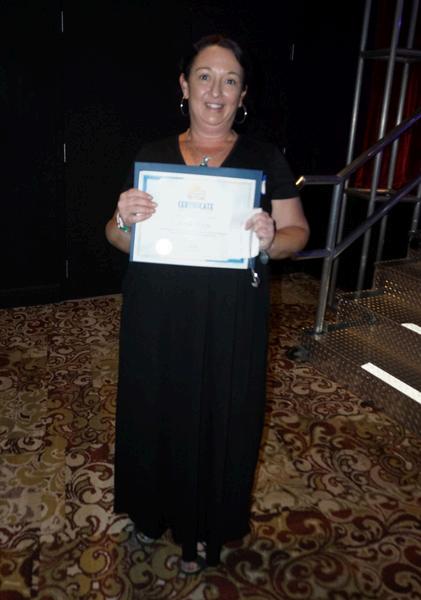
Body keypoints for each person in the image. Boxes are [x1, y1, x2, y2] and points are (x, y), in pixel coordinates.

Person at [105, 34, 309, 574]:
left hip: (230, 318)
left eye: (230, 80)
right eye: (204, 76)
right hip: (157, 314)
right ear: (184, 85)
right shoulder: (151, 155)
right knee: (155, 406)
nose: (216, 91)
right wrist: (122, 217)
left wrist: (270, 239)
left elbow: (297, 233)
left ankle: (206, 524)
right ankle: (151, 511)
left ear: (243, 94)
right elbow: (118, 237)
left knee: (222, 414)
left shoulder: (264, 157)